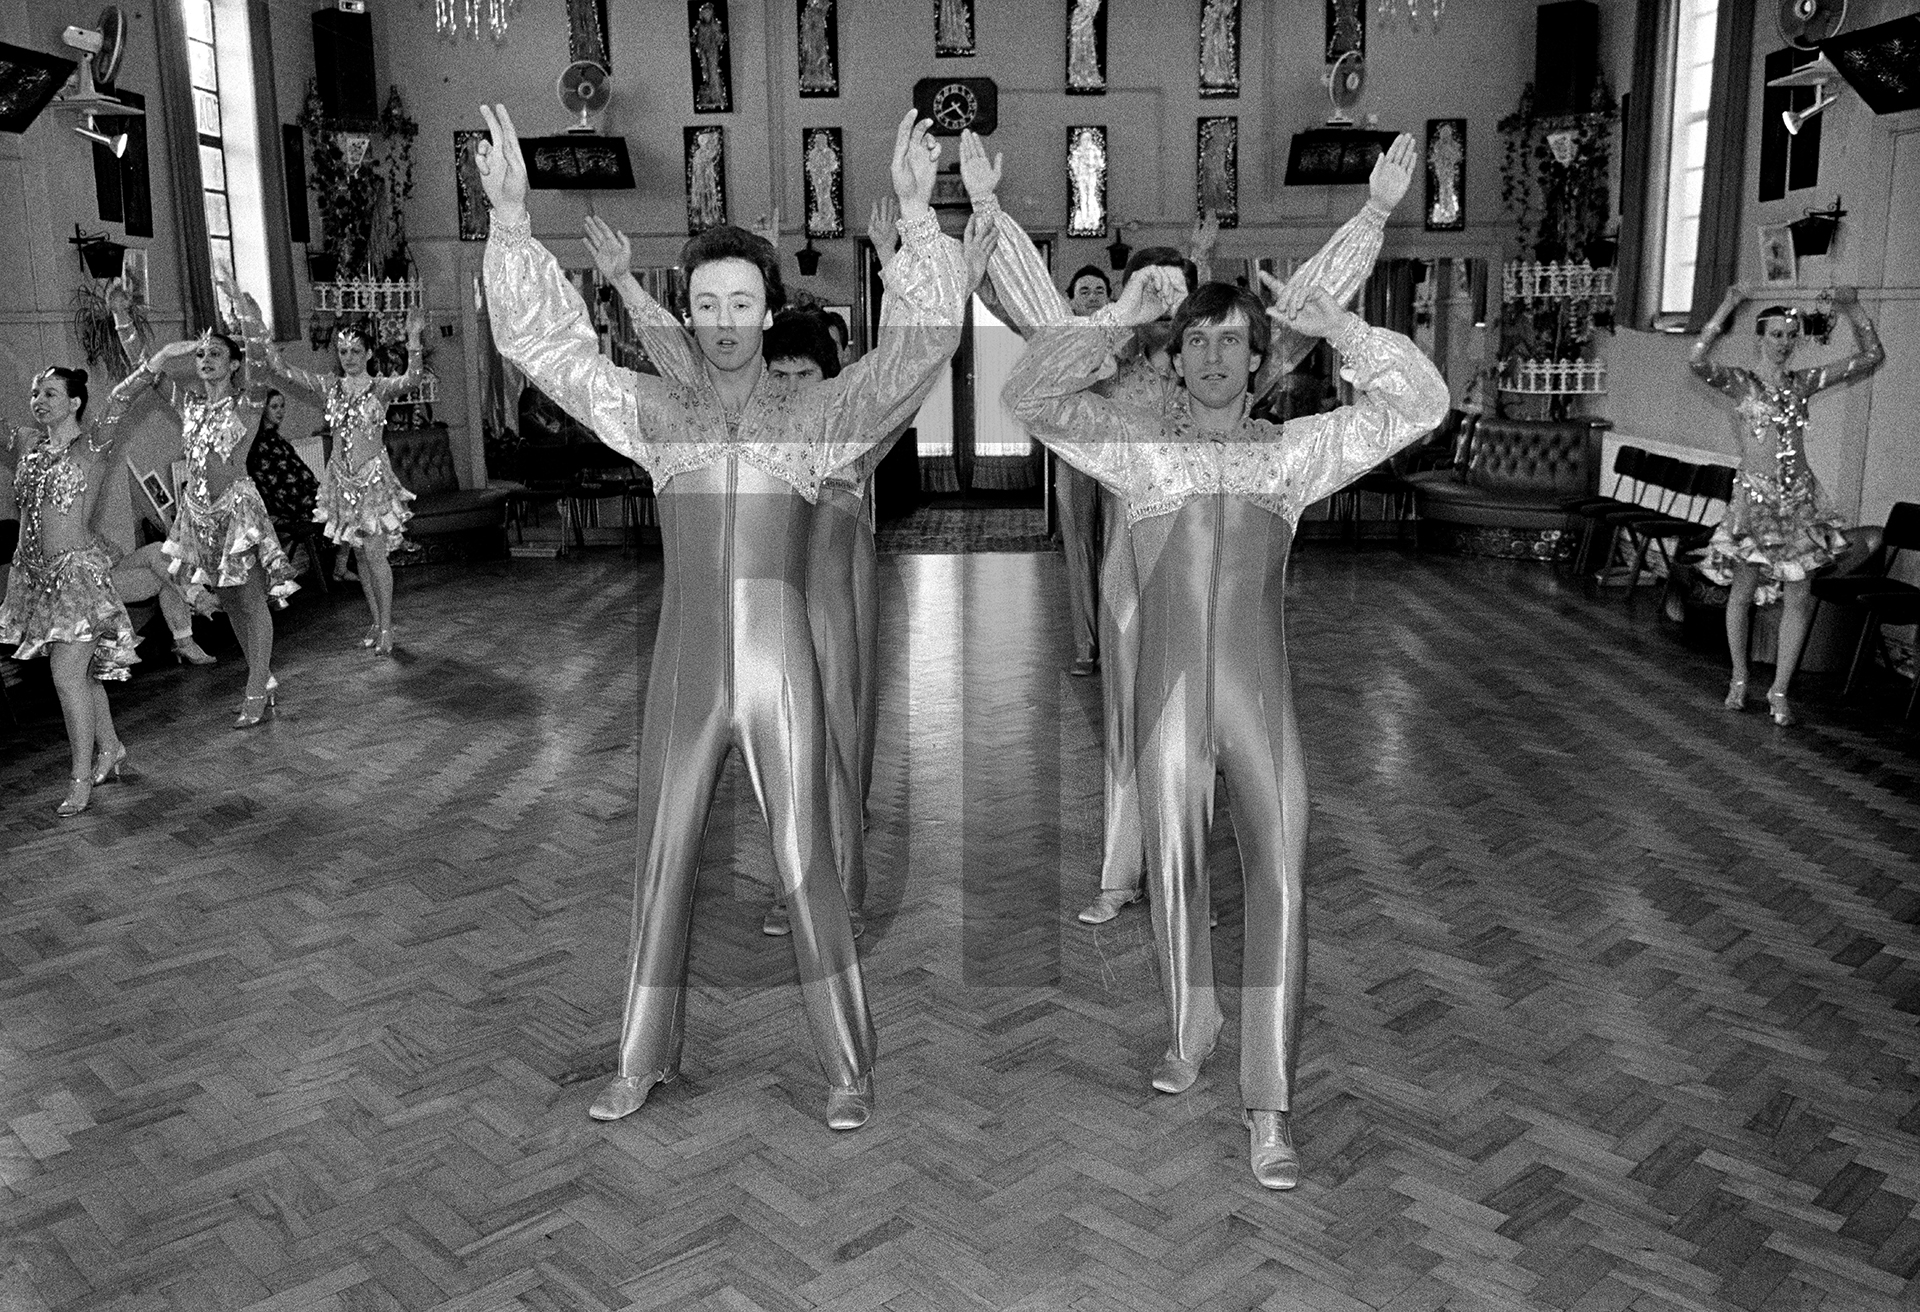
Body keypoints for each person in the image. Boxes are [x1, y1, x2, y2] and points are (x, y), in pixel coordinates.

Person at [476, 102, 972, 1131]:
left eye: (743, 302)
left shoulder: (821, 414)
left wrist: (922, 222)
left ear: (768, 308)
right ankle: (641, 1056)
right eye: (707, 303)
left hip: (780, 659)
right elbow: (547, 349)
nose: (726, 320)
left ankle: (849, 1066)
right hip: (686, 658)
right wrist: (513, 227)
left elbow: (921, 353)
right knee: (663, 853)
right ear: (689, 312)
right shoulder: (660, 412)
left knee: (804, 858)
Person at [1005, 250, 1448, 1194]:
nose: (1211, 355)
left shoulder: (1293, 457)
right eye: (1196, 340)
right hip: (1167, 716)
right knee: (1175, 884)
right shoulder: (1140, 454)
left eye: (1231, 342)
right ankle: (1190, 1025)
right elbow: (1033, 397)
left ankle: (1270, 1107)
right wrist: (1118, 315)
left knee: (1282, 885)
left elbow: (1421, 405)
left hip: (1261, 711)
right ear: (1175, 358)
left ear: (1257, 361)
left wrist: (1345, 331)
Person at [969, 130, 1417, 927]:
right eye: (1156, 291)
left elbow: (1301, 309)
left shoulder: (1227, 363)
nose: (1173, 309)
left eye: (1183, 294)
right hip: (1133, 567)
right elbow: (1036, 307)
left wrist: (1373, 217)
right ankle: (1121, 873)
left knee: (1213, 719)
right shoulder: (1107, 370)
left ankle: (1189, 879)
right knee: (1130, 722)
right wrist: (986, 210)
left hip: (1227, 562)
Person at [1691, 285, 1883, 726]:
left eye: (1790, 335)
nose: (1783, 343)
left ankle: (1780, 689)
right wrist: (1727, 304)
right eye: (1776, 334)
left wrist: (1852, 308)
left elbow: (1871, 356)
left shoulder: (1804, 383)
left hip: (1798, 500)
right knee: (1742, 591)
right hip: (1754, 501)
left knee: (1799, 596)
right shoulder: (1741, 382)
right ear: (1761, 338)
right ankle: (1739, 678)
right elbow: (1697, 361)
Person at [114, 279, 298, 728]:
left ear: (234, 364)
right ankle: (262, 676)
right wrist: (121, 316)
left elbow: (258, 354)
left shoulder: (248, 402)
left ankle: (256, 686)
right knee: (231, 603)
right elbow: (148, 370)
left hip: (237, 513)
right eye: (200, 354)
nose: (205, 359)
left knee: (252, 601)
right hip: (199, 517)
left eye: (216, 353)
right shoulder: (190, 405)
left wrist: (245, 311)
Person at [0, 367, 151, 815]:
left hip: (77, 580)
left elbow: (121, 401)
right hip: (35, 581)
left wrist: (156, 360)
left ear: (75, 403)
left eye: (50, 393)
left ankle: (80, 777)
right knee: (82, 677)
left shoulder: (92, 446)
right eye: (34, 392)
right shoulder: (28, 445)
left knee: (67, 677)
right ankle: (111, 749)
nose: (39, 400)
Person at [243, 311, 426, 656]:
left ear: (369, 353)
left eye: (356, 351)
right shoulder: (331, 387)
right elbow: (285, 372)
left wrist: (413, 339)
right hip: (341, 481)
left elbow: (412, 378)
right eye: (343, 352)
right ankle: (375, 622)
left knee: (375, 555)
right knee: (360, 556)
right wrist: (264, 341)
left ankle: (387, 626)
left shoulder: (380, 387)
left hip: (371, 480)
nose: (349, 358)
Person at [246, 389, 322, 573]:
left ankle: (340, 566)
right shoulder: (259, 444)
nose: (280, 411)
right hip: (285, 504)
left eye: (282, 406)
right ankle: (339, 568)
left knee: (344, 503)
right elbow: (271, 484)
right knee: (340, 509)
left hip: (301, 495)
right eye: (274, 407)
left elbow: (297, 470)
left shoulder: (275, 438)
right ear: (263, 410)